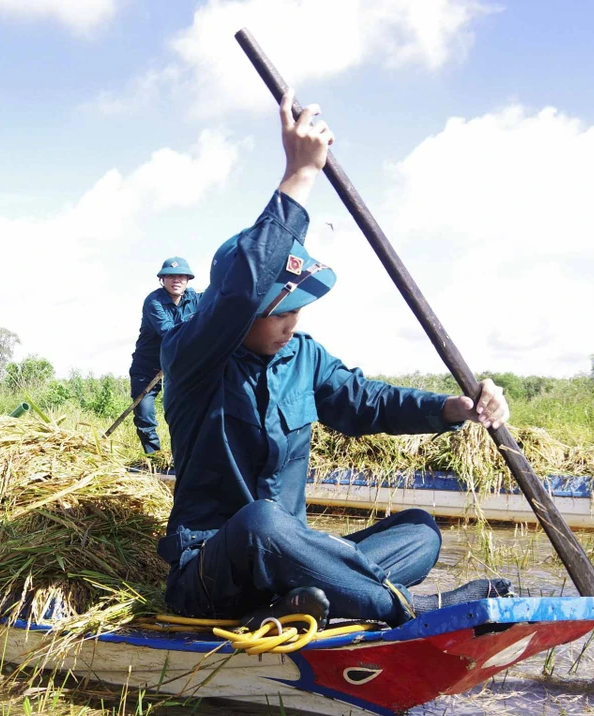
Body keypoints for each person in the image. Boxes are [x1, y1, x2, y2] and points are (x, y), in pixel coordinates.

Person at [158, 94, 512, 627]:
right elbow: (240, 289)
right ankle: (404, 609)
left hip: (289, 560)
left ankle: (314, 595)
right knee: (262, 524)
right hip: (216, 567)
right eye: (280, 312)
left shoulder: (304, 358)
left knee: (419, 531)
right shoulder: (194, 356)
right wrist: (299, 175)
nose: (292, 323)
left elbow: (369, 403)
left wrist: (453, 408)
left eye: (299, 311)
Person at [128, 257, 200, 453]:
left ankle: (180, 459)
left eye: (181, 277)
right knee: (144, 414)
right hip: (148, 367)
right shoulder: (154, 302)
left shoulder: (196, 299)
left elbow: (219, 303)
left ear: (187, 280)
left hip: (176, 368)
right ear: (162, 279)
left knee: (181, 414)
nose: (176, 280)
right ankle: (153, 457)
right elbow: (169, 333)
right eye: (171, 276)